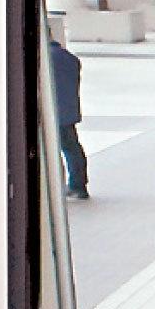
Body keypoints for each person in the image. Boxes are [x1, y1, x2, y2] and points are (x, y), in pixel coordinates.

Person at [49, 37, 89, 199]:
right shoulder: (70, 58)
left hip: (54, 112)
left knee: (56, 150)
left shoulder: (46, 59)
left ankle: (70, 186)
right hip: (68, 111)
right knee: (72, 148)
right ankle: (78, 184)